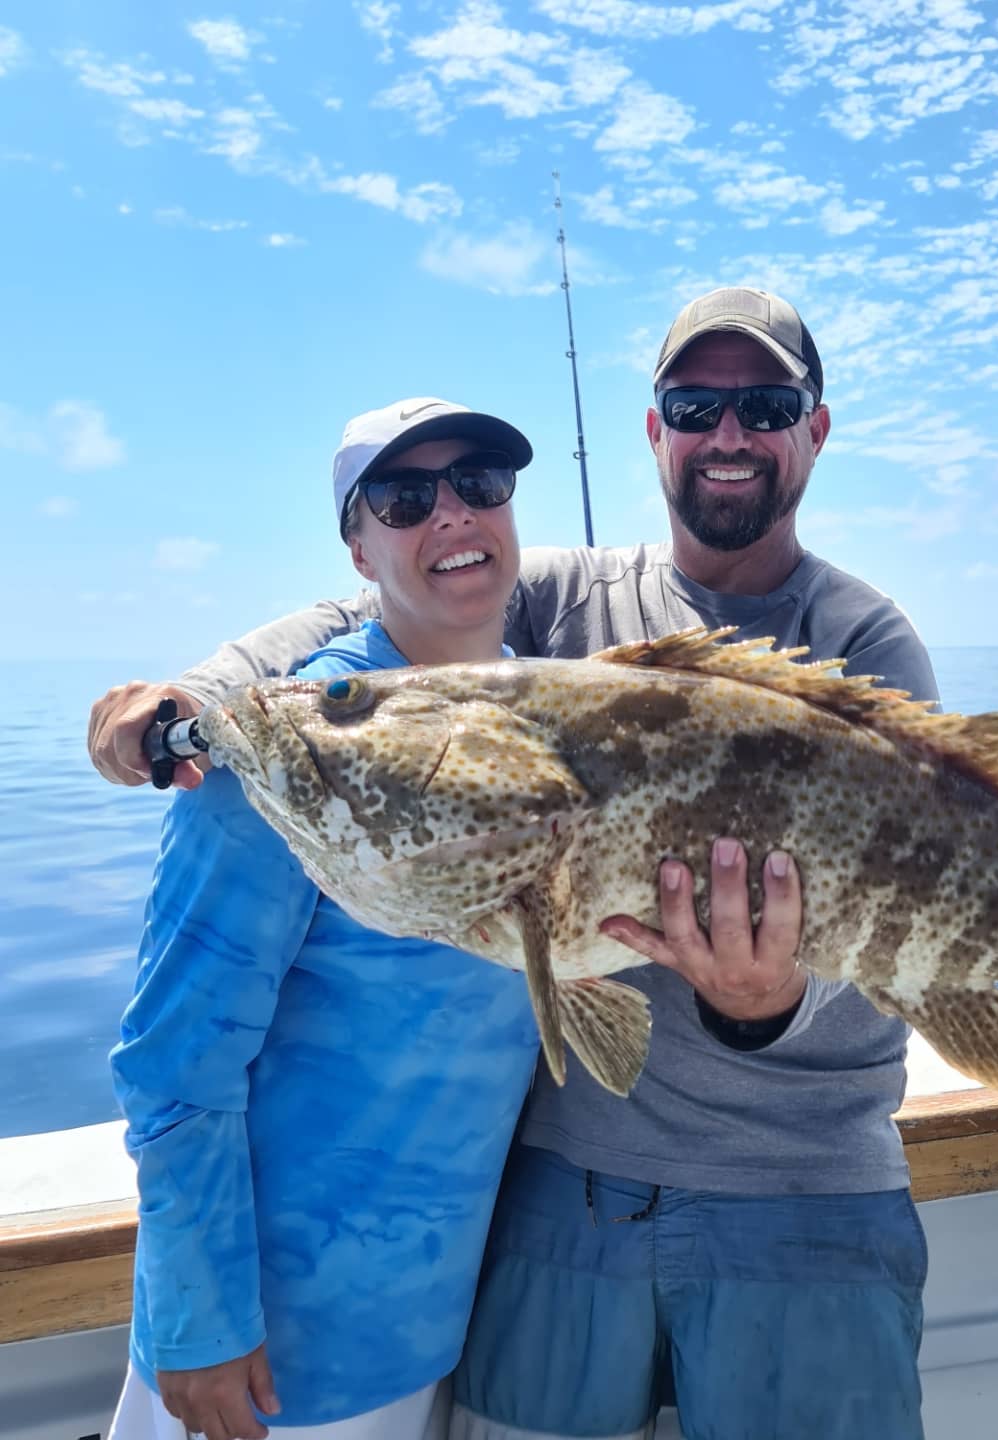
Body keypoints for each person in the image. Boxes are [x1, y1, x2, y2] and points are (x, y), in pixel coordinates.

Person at [90, 288, 941, 1440]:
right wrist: (194, 700)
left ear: (814, 428)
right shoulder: (545, 608)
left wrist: (769, 1003)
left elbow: (924, 895)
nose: (728, 434)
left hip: (777, 1199)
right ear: (656, 432)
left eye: (765, 405)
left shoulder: (867, 642)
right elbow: (360, 654)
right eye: (696, 405)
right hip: (532, 1223)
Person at [106, 400, 545, 1440]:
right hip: (270, 1365)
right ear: (357, 546)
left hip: (436, 1335)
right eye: (403, 499)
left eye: (480, 482)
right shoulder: (277, 748)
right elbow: (172, 1060)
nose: (451, 515)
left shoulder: (552, 724)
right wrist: (200, 1318)